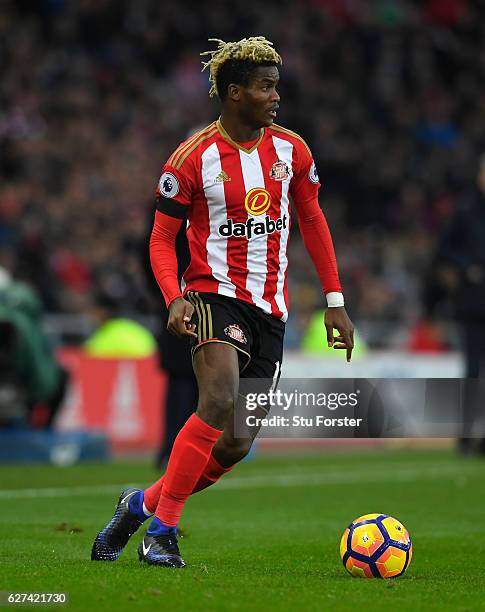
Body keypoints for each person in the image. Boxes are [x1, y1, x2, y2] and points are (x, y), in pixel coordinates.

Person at [91, 36, 354, 568]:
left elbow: (313, 221)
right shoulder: (192, 159)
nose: (275, 97)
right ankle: (162, 533)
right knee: (216, 399)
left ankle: (140, 504)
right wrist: (174, 297)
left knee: (234, 444)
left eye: (276, 86)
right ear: (234, 94)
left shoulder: (293, 151)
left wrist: (335, 299)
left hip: (271, 310)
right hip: (214, 295)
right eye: (265, 88)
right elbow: (161, 239)